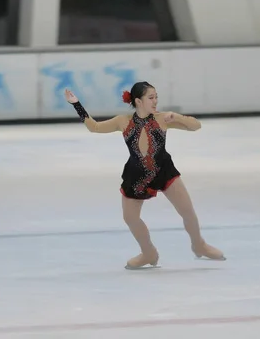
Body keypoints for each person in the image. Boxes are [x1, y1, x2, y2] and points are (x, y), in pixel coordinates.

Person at [64, 81, 225, 269]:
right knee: (130, 218)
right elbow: (94, 127)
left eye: (156, 97)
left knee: (187, 211)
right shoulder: (123, 121)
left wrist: (178, 117)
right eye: (151, 97)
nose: (155, 101)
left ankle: (199, 245)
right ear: (138, 101)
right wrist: (76, 104)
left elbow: (196, 126)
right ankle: (149, 252)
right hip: (137, 176)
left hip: (164, 171)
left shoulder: (163, 118)